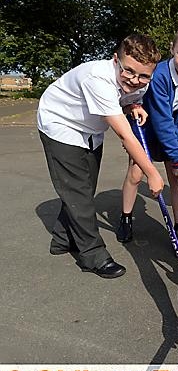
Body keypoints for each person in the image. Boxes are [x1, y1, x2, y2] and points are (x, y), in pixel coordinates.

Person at [37, 34, 164, 279]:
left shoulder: (140, 82)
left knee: (84, 188)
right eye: (128, 71)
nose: (136, 80)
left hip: (91, 128)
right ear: (116, 60)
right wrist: (152, 173)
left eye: (144, 75)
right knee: (78, 192)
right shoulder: (97, 78)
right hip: (61, 123)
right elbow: (126, 136)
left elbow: (127, 99)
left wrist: (133, 106)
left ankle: (62, 239)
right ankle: (93, 254)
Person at [116, 26, 178, 257]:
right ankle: (126, 217)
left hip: (172, 135)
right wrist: (175, 156)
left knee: (177, 177)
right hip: (148, 129)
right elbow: (161, 120)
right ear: (172, 49)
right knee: (136, 173)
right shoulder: (159, 75)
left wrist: (177, 153)